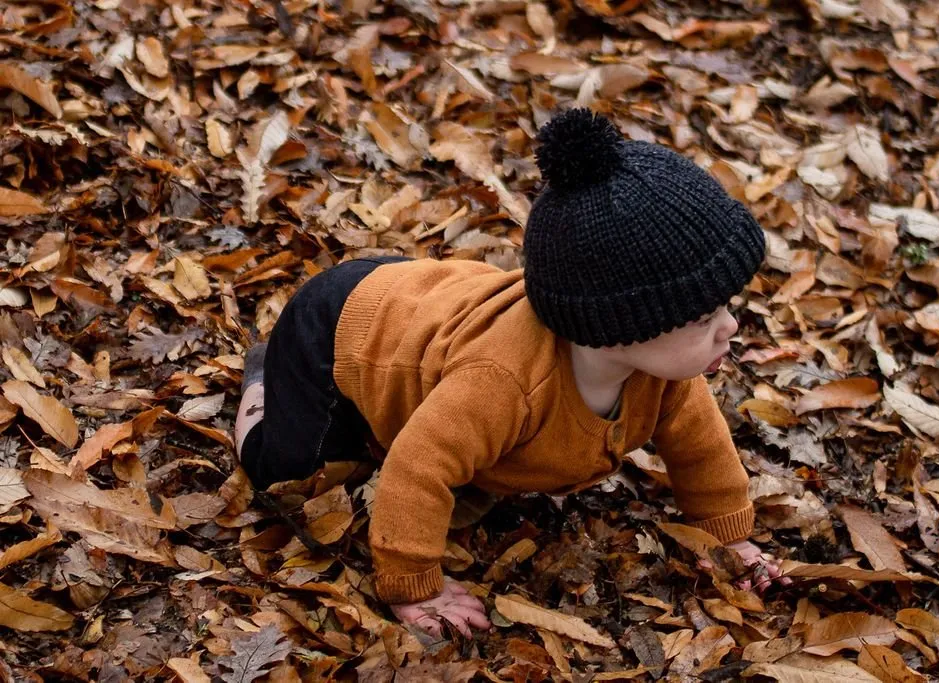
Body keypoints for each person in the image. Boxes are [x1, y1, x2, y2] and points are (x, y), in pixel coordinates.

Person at [234, 108, 788, 639]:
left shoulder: (664, 374)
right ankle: (262, 385)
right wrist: (415, 588)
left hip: (423, 308)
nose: (731, 326)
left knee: (454, 449)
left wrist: (729, 540)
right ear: (618, 325)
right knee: (289, 475)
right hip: (338, 332)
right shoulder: (501, 382)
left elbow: (702, 451)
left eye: (725, 305)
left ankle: (388, 410)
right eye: (701, 317)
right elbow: (418, 468)